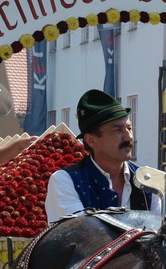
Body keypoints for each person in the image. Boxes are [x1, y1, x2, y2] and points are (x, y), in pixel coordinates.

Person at [43, 89, 160, 224]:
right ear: (91, 140)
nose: (129, 137)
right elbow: (83, 234)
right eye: (117, 130)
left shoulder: (147, 180)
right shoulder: (66, 181)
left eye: (129, 128)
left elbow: (161, 232)